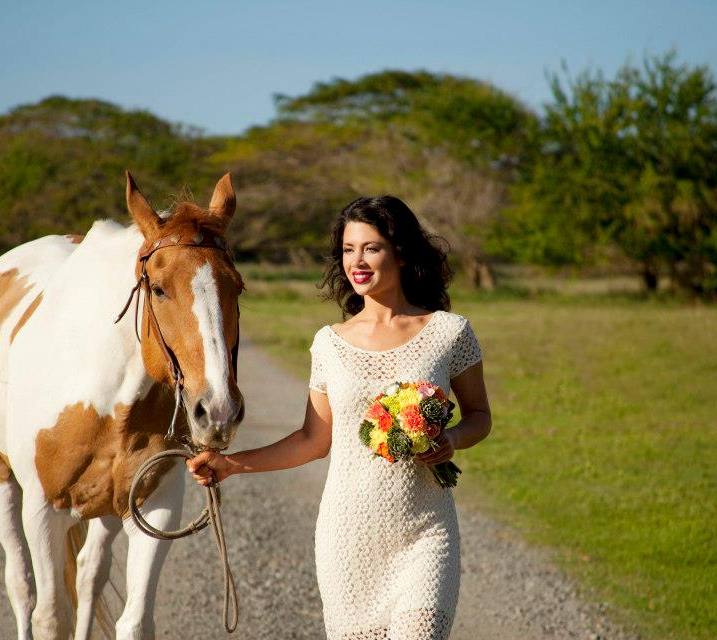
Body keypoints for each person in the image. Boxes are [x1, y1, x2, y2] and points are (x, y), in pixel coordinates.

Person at [187, 195, 492, 640]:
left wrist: (454, 438)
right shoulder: (329, 343)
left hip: (426, 534)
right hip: (347, 540)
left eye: (371, 248)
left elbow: (480, 416)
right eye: (349, 250)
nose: (357, 261)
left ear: (401, 252)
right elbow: (313, 440)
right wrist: (231, 464)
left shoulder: (449, 332)